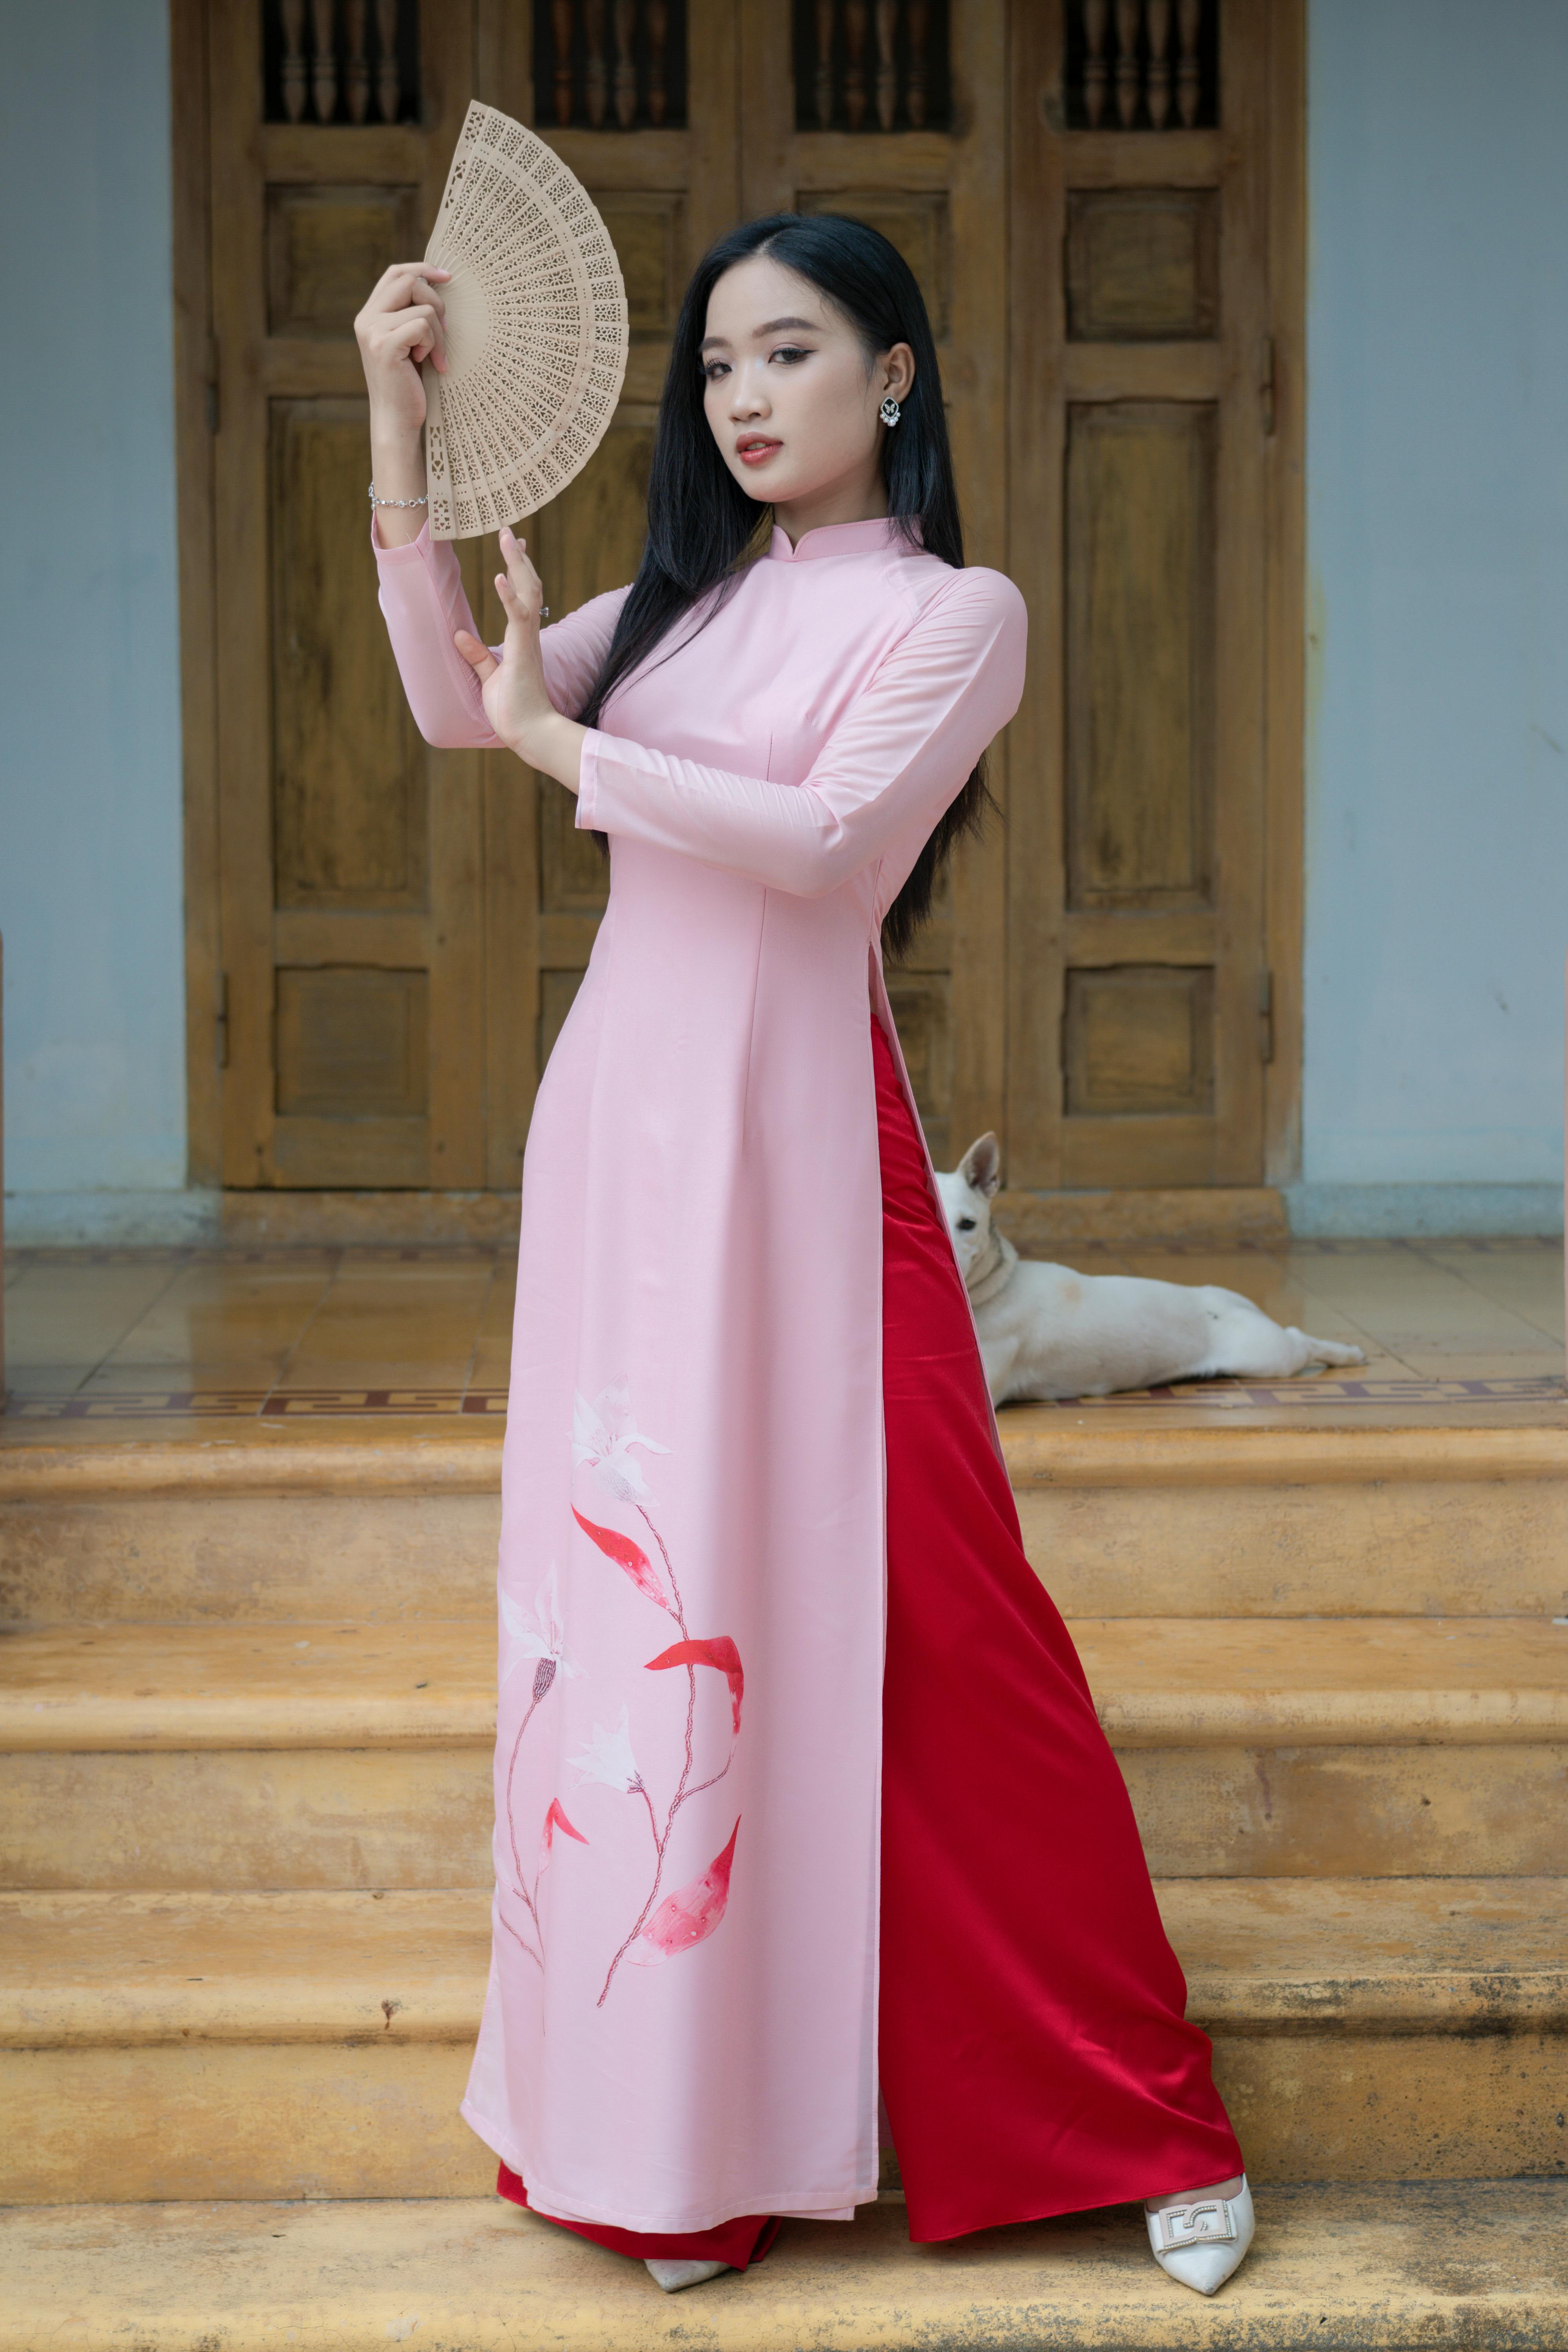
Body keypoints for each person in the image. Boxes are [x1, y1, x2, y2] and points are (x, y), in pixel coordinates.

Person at [354, 211, 1253, 2299]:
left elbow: (833, 843)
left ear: (898, 375)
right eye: (720, 367)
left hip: (794, 1146)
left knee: (946, 1628)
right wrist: (398, 437)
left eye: (791, 352)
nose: (747, 397)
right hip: (619, 1144)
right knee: (651, 1620)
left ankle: (1141, 2112)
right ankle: (680, 2155)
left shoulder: (955, 613)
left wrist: (576, 746)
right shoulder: (675, 611)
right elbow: (447, 710)